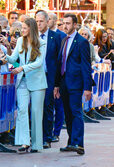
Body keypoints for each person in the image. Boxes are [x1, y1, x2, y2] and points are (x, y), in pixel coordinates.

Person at [6, 18, 47, 153]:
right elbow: (13, 58)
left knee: (36, 112)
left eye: (24, 28)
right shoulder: (20, 41)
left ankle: (36, 144)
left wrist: (22, 68)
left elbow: (39, 63)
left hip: (37, 81)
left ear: (31, 29)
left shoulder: (41, 43)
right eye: (21, 28)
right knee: (22, 109)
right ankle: (24, 142)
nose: (22, 30)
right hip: (22, 81)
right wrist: (4, 56)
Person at [54, 13, 92, 155]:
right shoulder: (64, 40)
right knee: (68, 114)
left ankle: (79, 144)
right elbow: (59, 63)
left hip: (76, 83)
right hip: (64, 83)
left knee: (76, 112)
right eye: (64, 23)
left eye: (68, 23)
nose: (65, 26)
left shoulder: (82, 42)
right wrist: (57, 85)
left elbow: (85, 65)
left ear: (75, 25)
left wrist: (87, 87)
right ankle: (71, 142)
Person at [35, 10, 61, 149]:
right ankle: (36, 137)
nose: (39, 24)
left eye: (41, 21)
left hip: (49, 77)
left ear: (47, 21)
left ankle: (46, 138)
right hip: (35, 77)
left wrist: (57, 82)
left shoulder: (56, 37)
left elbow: (59, 60)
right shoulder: (32, 37)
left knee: (47, 106)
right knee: (35, 107)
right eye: (37, 21)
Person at [48, 12, 66, 143]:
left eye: (48, 19)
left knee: (59, 105)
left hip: (58, 76)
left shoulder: (61, 36)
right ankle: (47, 132)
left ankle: (56, 132)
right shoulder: (40, 36)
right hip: (45, 76)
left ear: (54, 21)